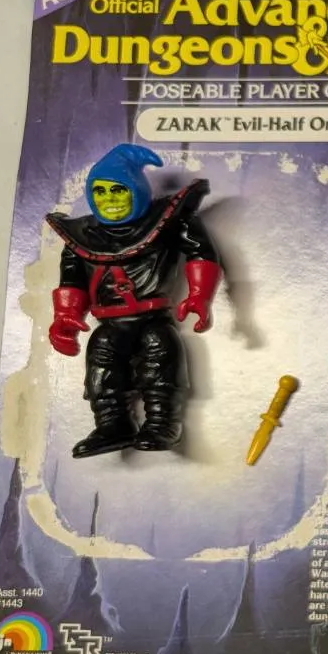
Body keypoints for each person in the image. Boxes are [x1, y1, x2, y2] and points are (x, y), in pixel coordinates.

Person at [46, 143, 221, 457]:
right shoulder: (81, 239)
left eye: (117, 190)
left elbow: (199, 251)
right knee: (101, 358)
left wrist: (199, 294)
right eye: (100, 191)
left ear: (135, 190)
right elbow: (71, 280)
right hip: (109, 321)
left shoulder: (166, 223)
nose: (109, 199)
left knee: (161, 351)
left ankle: (163, 423)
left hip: (154, 317)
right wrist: (65, 316)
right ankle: (112, 425)